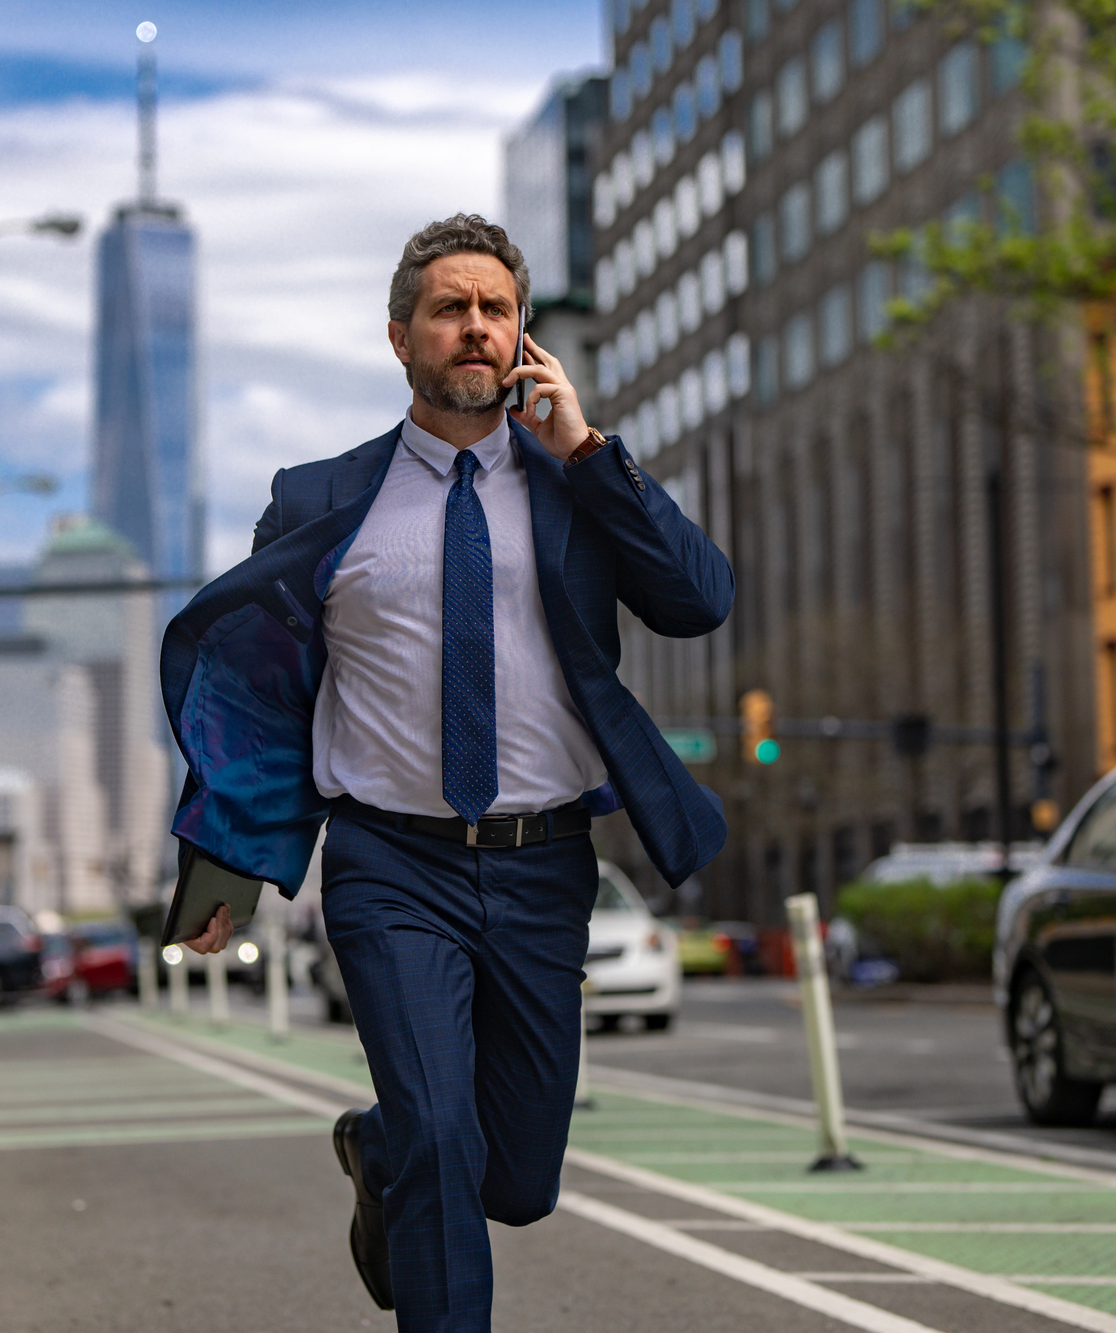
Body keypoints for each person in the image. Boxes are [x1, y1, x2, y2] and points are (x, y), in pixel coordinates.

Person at [160, 214, 731, 1332]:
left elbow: (698, 600)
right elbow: (262, 697)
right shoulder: (322, 498)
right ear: (399, 335)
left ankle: (374, 1152)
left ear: (521, 339)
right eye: (448, 308)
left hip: (543, 864)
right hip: (388, 867)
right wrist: (216, 871)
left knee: (514, 1178)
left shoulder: (577, 487)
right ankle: (405, 1151)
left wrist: (586, 449)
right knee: (437, 1134)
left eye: (496, 310)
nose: (474, 326)